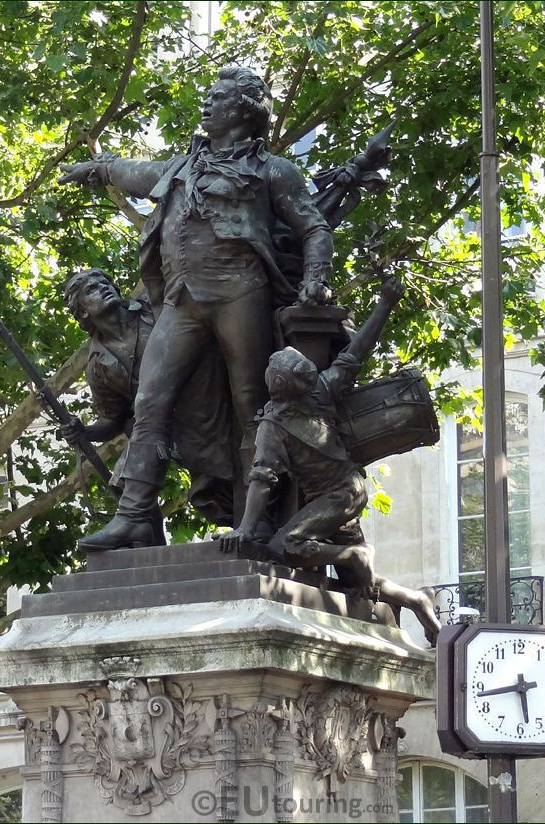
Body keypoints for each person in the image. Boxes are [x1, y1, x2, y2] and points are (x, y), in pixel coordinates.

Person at [58, 66, 333, 551]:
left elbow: (314, 228)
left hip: (240, 294)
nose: (207, 104)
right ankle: (137, 516)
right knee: (149, 399)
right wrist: (98, 168)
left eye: (219, 97)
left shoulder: (272, 170)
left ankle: (256, 519)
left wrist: (314, 280)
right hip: (181, 302)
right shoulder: (181, 167)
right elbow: (134, 173)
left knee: (252, 403)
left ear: (247, 109)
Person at [219, 276, 441, 645]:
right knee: (359, 587)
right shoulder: (321, 390)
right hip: (349, 490)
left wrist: (243, 530)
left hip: (335, 496)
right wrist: (385, 303)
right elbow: (358, 351)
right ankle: (419, 603)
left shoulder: (272, 424)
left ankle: (354, 554)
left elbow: (261, 481)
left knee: (286, 546)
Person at [60, 268, 233, 545]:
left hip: (209, 396)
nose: (105, 288)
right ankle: (145, 541)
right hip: (168, 428)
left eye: (106, 283)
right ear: (82, 313)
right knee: (126, 479)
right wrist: (85, 432)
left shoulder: (153, 308)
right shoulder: (97, 365)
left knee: (225, 490)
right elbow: (114, 418)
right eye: (93, 289)